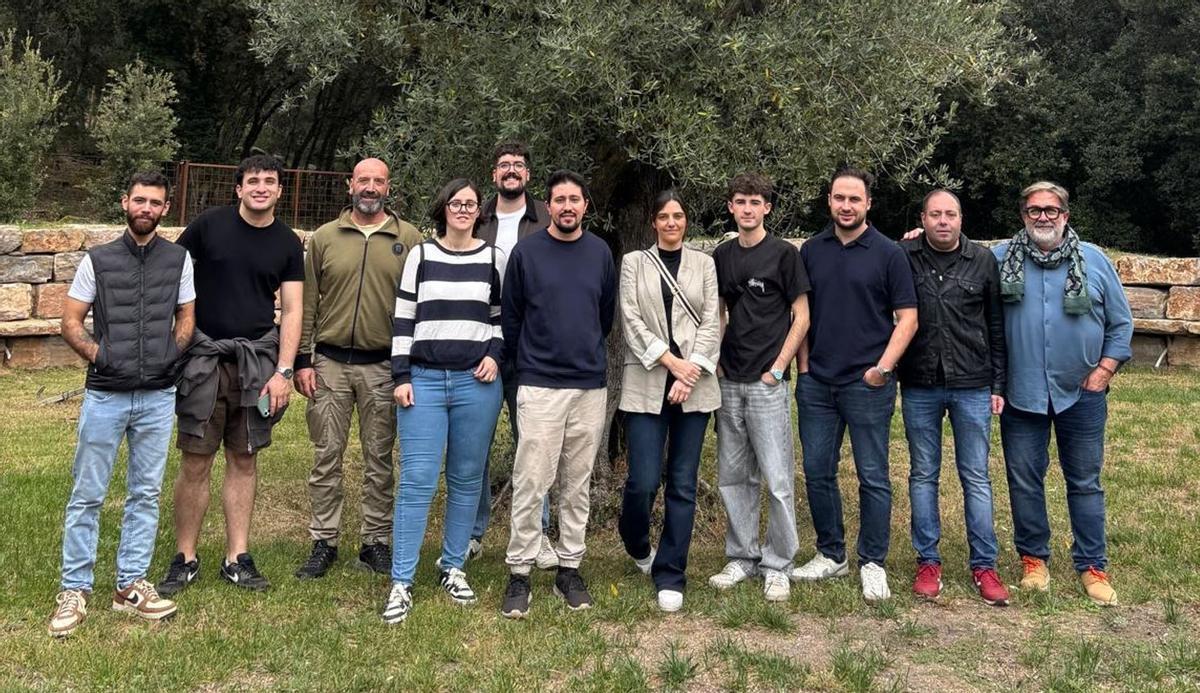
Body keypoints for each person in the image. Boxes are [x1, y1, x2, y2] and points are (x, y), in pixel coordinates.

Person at [50, 171, 195, 637]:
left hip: (157, 396)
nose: (146, 208)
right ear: (124, 203)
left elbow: (187, 317)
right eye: (139, 200)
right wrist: (101, 355)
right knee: (87, 494)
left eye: (155, 202)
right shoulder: (99, 259)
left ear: (165, 208)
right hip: (105, 395)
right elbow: (70, 322)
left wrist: (172, 354)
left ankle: (130, 585)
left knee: (145, 493)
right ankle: (75, 589)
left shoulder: (179, 259)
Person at [158, 154, 304, 595]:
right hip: (203, 360)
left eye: (270, 181)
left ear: (280, 191)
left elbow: (294, 309)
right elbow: (173, 279)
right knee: (196, 460)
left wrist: (284, 371)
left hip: (257, 363)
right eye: (253, 181)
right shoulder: (207, 226)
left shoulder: (287, 243)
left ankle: (237, 556)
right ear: (238, 188)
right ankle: (185, 557)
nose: (261, 187)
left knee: (244, 458)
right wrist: (177, 340)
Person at [993, 181, 1132, 606]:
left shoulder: (1093, 261)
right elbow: (950, 256)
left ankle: (1092, 565)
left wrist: (1105, 370)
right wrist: (915, 239)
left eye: (1051, 210)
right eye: (1034, 210)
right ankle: (1034, 559)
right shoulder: (999, 259)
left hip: (1083, 392)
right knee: (1024, 481)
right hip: (1022, 392)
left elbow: (1121, 324)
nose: (1043, 217)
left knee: (1085, 482)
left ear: (1065, 216)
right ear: (1023, 216)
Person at [381, 179, 506, 624]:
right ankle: (401, 580)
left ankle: (452, 566)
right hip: (425, 381)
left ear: (480, 212)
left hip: (477, 382)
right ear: (443, 208)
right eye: (456, 202)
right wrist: (401, 375)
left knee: (468, 478)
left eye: (471, 204)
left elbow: (499, 318)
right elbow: (403, 317)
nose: (463, 209)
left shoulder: (494, 259)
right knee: (417, 480)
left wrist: (494, 355)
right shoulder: (421, 255)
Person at [292, 158, 422, 580]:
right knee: (326, 455)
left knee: (379, 459)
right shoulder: (326, 237)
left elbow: (419, 306)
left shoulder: (409, 238)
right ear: (350, 184)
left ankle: (375, 542)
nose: (370, 187)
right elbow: (309, 301)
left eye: (378, 181)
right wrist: (302, 359)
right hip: (329, 363)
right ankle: (324, 541)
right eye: (363, 179)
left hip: (383, 366)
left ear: (388, 187)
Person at [793, 167, 918, 602]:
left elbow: (908, 318)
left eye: (854, 199)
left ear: (868, 204)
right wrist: (805, 367)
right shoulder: (811, 250)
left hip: (867, 384)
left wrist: (881, 369)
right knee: (816, 471)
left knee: (873, 476)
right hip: (817, 384)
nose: (846, 206)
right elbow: (801, 315)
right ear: (829, 200)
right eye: (839, 198)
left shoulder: (888, 254)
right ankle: (831, 553)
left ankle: (872, 562)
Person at [499, 170, 616, 618]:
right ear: (547, 206)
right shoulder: (527, 253)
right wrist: (531, 362)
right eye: (559, 200)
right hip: (540, 384)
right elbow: (512, 317)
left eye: (575, 199)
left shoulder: (600, 252)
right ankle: (520, 572)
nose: (567, 206)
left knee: (576, 483)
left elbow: (603, 315)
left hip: (588, 385)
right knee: (532, 481)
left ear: (586, 205)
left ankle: (569, 568)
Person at [897, 189, 1010, 606]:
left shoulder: (983, 261)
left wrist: (999, 384)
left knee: (976, 476)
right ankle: (928, 561)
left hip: (973, 383)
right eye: (935, 214)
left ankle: (985, 565)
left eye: (951, 214)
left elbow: (995, 326)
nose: (943, 221)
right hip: (920, 382)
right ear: (923, 219)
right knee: (923, 474)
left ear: (962, 220)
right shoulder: (904, 257)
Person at [709, 172, 810, 603]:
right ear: (730, 207)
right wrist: (714, 360)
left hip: (768, 382)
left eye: (755, 202)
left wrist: (779, 368)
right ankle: (742, 557)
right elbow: (718, 312)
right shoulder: (721, 255)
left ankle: (779, 563)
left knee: (778, 478)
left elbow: (801, 316)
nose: (747, 209)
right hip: (729, 379)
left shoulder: (785, 255)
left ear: (767, 207)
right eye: (740, 202)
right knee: (734, 476)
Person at [617, 190, 721, 612]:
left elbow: (713, 320)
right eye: (664, 216)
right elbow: (631, 318)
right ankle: (637, 542)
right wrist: (671, 364)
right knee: (643, 480)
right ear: (654, 222)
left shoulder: (705, 264)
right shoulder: (633, 263)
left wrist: (689, 370)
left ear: (686, 222)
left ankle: (671, 571)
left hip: (694, 387)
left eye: (678, 216)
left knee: (682, 482)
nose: (672, 222)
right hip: (647, 380)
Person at [472, 141, 556, 567]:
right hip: (481, 341)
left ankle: (537, 533)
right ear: (494, 174)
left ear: (528, 174)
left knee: (533, 442)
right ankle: (472, 532)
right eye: (504, 165)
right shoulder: (474, 215)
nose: (511, 171)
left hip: (530, 343)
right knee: (476, 442)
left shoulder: (546, 217)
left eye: (518, 166)